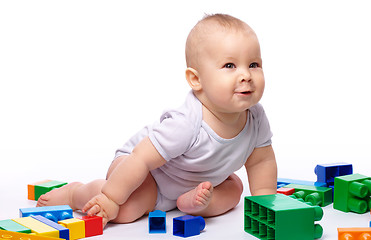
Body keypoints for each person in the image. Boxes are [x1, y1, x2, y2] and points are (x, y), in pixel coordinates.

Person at [37, 13, 277, 227]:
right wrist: (111, 198)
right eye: (229, 65)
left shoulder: (255, 118)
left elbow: (261, 162)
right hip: (145, 174)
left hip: (196, 183)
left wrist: (267, 202)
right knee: (127, 211)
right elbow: (140, 159)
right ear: (196, 79)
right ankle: (75, 193)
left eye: (254, 64)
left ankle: (197, 202)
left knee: (234, 190)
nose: (246, 75)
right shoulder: (186, 124)